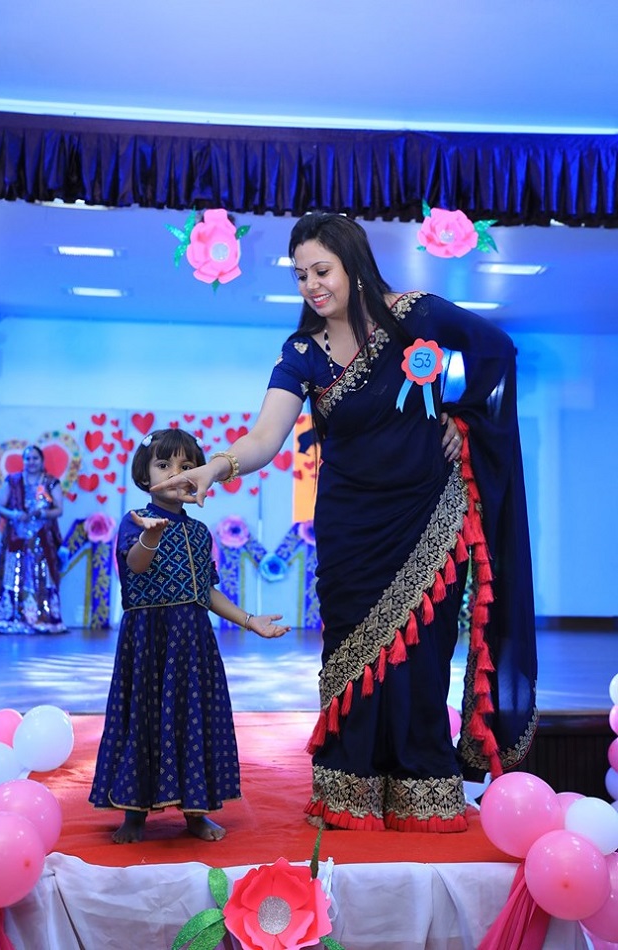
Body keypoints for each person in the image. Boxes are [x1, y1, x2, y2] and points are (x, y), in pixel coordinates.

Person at [151, 212, 537, 833]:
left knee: (423, 653)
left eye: (321, 270)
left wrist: (461, 416)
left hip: (425, 516)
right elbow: (265, 437)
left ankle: (419, 785)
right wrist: (216, 467)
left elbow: (497, 350)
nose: (311, 285)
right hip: (350, 527)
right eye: (301, 275)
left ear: (354, 267)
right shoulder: (303, 352)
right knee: (348, 652)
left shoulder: (415, 314)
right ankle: (351, 783)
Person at [89, 428, 290, 844]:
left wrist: (250, 620)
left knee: (193, 720)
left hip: (192, 644)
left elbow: (206, 591)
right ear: (144, 474)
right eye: (164, 464)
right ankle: (134, 814)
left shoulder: (199, 533)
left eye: (186, 466)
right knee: (142, 719)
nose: (175, 473)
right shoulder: (134, 522)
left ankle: (196, 814)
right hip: (147, 643)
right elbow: (136, 565)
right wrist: (150, 535)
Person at [0, 444, 67, 634]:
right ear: (23, 461)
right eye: (27, 458)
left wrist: (42, 513)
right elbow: (0, 508)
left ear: (42, 461)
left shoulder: (50, 482)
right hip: (16, 537)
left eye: (35, 458)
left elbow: (59, 510)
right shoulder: (13, 481)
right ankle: (11, 617)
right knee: (13, 574)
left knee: (41, 576)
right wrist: (16, 515)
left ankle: (43, 618)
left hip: (41, 539)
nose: (31, 462)